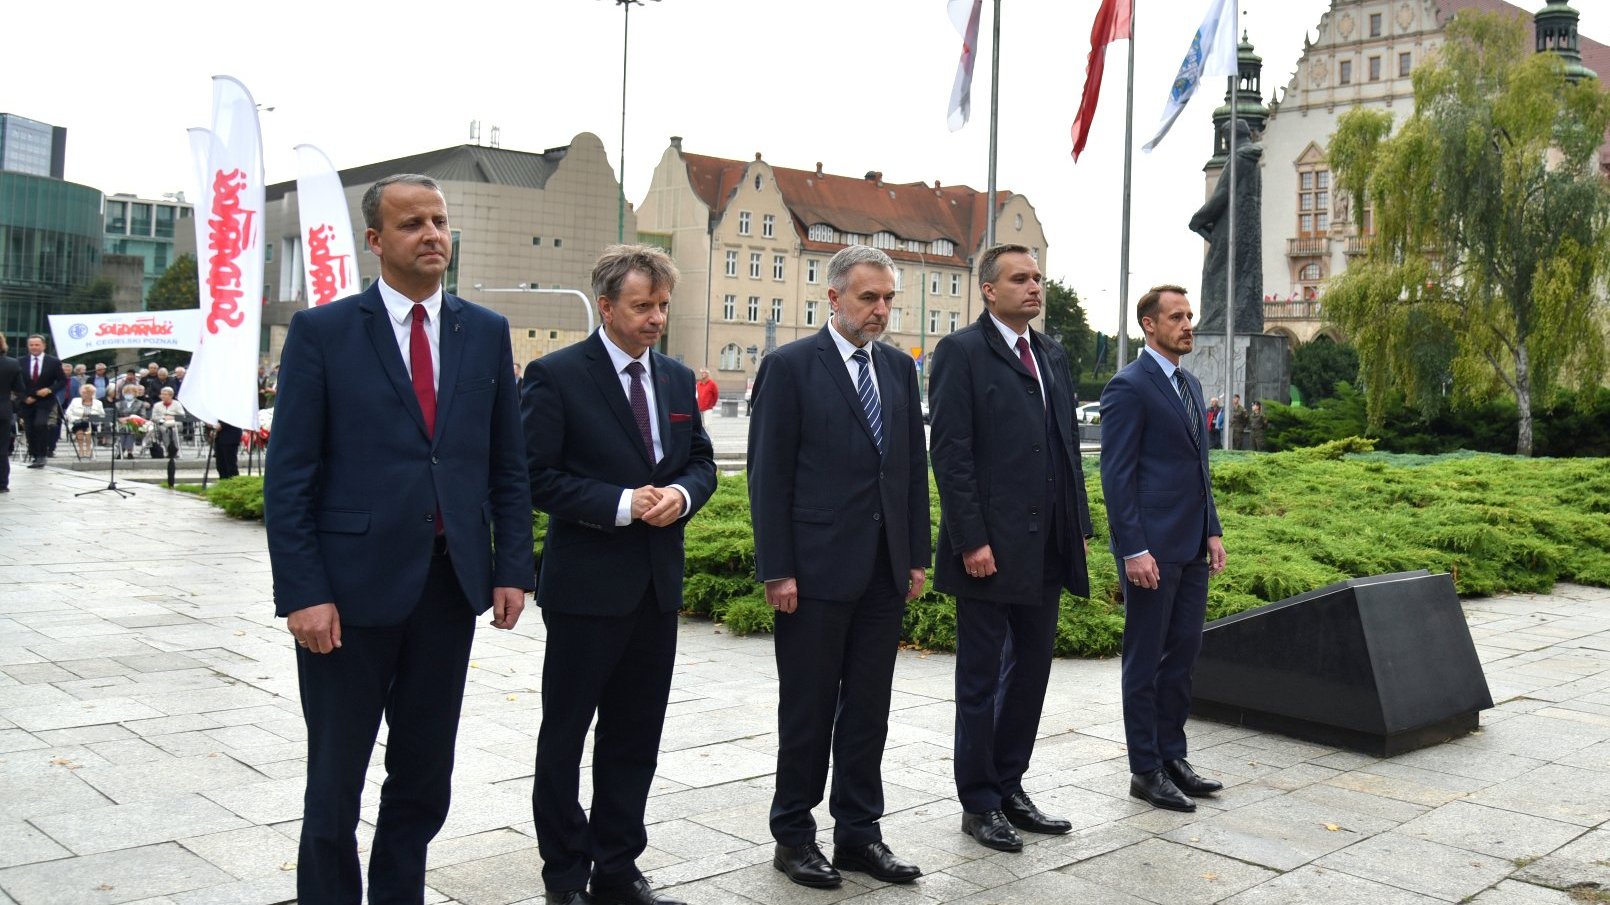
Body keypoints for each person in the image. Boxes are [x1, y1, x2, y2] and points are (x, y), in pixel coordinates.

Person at [263, 173, 535, 905]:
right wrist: (305, 592)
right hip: (347, 598)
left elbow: (506, 463)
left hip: (447, 590)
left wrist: (513, 566)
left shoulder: (483, 331)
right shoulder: (323, 333)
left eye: (440, 221)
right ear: (377, 240)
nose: (432, 235)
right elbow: (289, 476)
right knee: (335, 779)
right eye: (413, 223)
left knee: (423, 775)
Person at [522, 244, 716, 905]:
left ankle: (618, 866)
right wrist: (620, 503)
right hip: (585, 590)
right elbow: (534, 475)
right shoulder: (555, 376)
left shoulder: (677, 378)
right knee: (566, 734)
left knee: (635, 736)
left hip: (657, 589)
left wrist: (682, 496)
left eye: (663, 305)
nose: (657, 317)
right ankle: (565, 874)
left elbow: (700, 463)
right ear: (605, 306)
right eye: (642, 306)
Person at [747, 246, 930, 889]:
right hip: (815, 572)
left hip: (883, 571)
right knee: (808, 708)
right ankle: (794, 835)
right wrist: (777, 568)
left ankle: (859, 834)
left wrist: (915, 557)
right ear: (833, 299)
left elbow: (909, 469)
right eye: (868, 299)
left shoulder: (901, 371)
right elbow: (768, 476)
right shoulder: (791, 367)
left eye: (888, 300)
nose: (881, 311)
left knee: (868, 710)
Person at [929, 244, 1095, 852]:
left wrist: (1078, 524)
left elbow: (1066, 448)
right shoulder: (961, 353)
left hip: (1047, 542)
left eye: (1039, 278)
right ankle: (978, 802)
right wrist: (971, 538)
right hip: (989, 549)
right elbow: (950, 454)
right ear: (988, 291)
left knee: (1031, 671)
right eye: (1020, 279)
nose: (1034, 288)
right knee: (979, 680)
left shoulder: (1051, 353)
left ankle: (1010, 784)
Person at [1099, 284, 1228, 814]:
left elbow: (1199, 469)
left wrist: (1212, 530)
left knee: (1183, 657)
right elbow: (1116, 474)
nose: (1187, 324)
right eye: (1176, 317)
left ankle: (1173, 756)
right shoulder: (1128, 386)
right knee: (1145, 659)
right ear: (1149, 325)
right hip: (1149, 550)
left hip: (1191, 544)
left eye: (1190, 315)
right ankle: (1145, 769)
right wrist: (1133, 548)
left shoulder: (1191, 385)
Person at [18, 335, 67, 469]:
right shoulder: (20, 361)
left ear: (43, 346)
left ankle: (41, 455)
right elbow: (16, 382)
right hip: (27, 400)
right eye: (31, 345)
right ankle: (34, 454)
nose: (34, 347)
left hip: (45, 400)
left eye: (37, 345)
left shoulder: (53, 362)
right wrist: (24, 397)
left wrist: (50, 389)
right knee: (29, 428)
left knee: (40, 424)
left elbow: (62, 381)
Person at [0, 335, 22, 492]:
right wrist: (11, 405)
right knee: (2, 447)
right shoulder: (12, 364)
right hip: (3, 410)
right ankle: (2, 483)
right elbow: (20, 390)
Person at [65, 384, 104, 458]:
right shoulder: (75, 401)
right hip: (77, 423)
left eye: (88, 393)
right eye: (84, 392)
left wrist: (92, 417)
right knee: (80, 429)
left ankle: (88, 450)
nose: (86, 394)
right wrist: (74, 419)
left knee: (87, 428)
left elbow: (102, 415)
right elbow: (68, 413)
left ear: (92, 393)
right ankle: (81, 450)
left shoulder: (98, 403)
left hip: (92, 424)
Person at [146, 387, 186, 459]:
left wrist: (173, 417)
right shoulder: (157, 405)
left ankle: (175, 451)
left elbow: (183, 416)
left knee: (174, 431)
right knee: (164, 430)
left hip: (175, 424)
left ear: (171, 395)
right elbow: (153, 417)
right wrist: (163, 418)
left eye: (165, 394)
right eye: (162, 394)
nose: (163, 396)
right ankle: (169, 451)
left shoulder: (177, 404)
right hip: (161, 424)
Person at [112, 385, 147, 460]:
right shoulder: (118, 404)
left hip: (136, 424)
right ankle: (127, 451)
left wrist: (129, 419)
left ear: (135, 393)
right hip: (121, 424)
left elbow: (143, 416)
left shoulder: (140, 403)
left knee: (130, 428)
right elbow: (114, 416)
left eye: (130, 392)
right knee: (124, 429)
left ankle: (125, 451)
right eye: (126, 392)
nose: (128, 394)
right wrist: (120, 419)